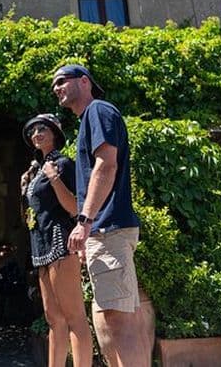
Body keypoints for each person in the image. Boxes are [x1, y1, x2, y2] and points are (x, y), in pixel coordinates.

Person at [51, 64, 150, 367]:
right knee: (117, 320)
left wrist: (85, 222)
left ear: (84, 81)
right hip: (104, 232)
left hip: (108, 230)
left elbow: (107, 165)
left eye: (62, 81)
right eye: (53, 85)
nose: (57, 88)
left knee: (116, 322)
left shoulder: (99, 111)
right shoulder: (88, 120)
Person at [20, 113, 92, 367]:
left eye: (43, 129)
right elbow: (31, 216)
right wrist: (25, 188)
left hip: (61, 242)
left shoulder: (62, 164)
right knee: (53, 319)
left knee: (74, 318)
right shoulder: (35, 170)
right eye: (33, 130)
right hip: (41, 245)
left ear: (55, 133)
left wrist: (53, 178)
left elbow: (76, 208)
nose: (37, 133)